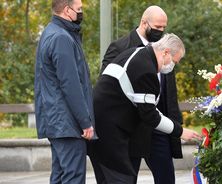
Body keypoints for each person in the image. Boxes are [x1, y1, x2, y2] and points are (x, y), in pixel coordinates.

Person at [91, 33, 202, 184]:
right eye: (175, 61)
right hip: (110, 134)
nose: (173, 66)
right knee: (122, 179)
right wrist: (180, 131)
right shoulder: (146, 70)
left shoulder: (135, 53)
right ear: (166, 52)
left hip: (100, 128)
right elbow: (149, 115)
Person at [34, 0, 96, 183]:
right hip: (67, 123)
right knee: (73, 176)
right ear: (67, 10)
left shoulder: (50, 32)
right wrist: (85, 122)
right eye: (79, 9)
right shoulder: (61, 37)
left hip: (57, 120)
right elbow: (70, 84)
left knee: (60, 175)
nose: (81, 13)